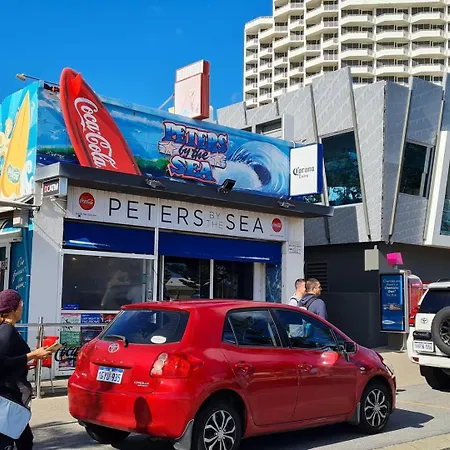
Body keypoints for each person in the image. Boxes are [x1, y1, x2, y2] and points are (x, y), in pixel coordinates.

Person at [0, 290, 52, 450]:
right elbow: (2, 362)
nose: (22, 307)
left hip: (11, 394)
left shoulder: (6, 329)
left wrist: (31, 358)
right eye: (21, 304)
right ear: (12, 309)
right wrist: (33, 355)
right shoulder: (6, 331)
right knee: (10, 441)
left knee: (24, 438)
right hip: (7, 395)